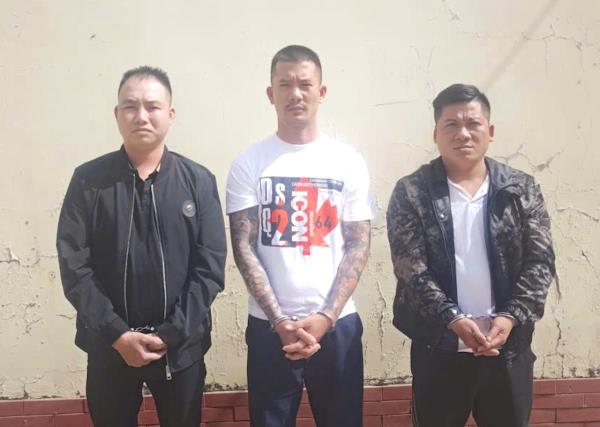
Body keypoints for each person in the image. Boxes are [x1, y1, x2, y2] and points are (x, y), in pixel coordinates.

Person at [56, 66, 227, 427]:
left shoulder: (197, 181)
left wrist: (170, 334)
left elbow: (209, 268)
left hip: (180, 349)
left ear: (170, 114)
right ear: (117, 114)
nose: (141, 116)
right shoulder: (88, 181)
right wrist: (117, 334)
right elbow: (74, 267)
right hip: (109, 347)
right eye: (130, 106)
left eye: (152, 106)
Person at [386, 83, 555, 427]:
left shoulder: (519, 189)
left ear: (490, 132)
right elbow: (411, 268)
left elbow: (540, 262)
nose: (462, 133)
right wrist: (453, 320)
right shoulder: (412, 191)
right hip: (439, 349)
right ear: (436, 134)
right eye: (451, 124)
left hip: (508, 350)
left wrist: (509, 317)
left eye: (473, 123)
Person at [226, 45, 374, 427]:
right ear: (270, 93)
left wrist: (326, 316)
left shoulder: (347, 161)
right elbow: (243, 246)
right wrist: (279, 320)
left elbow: (358, 243)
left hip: (337, 325)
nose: (296, 93)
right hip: (269, 328)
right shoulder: (248, 163)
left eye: (305, 84)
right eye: (285, 84)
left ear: (321, 92)